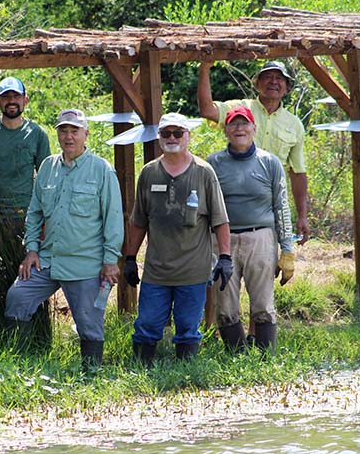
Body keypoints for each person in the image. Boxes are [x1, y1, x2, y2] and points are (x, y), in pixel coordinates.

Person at [4, 109, 124, 371]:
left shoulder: (102, 170)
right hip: (48, 260)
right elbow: (34, 212)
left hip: (85, 264)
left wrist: (110, 260)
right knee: (17, 297)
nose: (68, 136)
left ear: (86, 134)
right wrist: (31, 249)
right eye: (63, 130)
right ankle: (18, 367)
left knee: (89, 323)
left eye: (74, 131)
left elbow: (113, 219)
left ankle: (91, 375)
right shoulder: (48, 166)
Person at [123, 113, 232, 366]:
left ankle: (186, 374)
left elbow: (220, 220)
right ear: (159, 136)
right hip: (156, 272)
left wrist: (225, 258)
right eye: (166, 133)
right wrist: (130, 258)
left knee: (187, 327)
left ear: (188, 136)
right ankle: (142, 372)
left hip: (193, 271)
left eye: (177, 133)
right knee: (147, 324)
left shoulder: (204, 172)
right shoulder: (149, 173)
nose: (172, 138)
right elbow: (139, 221)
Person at [206, 106, 295, 353]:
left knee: (263, 303)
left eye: (244, 124)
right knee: (225, 306)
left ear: (254, 129)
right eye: (233, 124)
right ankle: (237, 357)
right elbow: (207, 208)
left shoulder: (270, 162)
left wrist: (287, 250)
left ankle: (266, 357)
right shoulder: (213, 163)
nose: (239, 129)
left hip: (261, 238)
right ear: (225, 130)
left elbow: (282, 206)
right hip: (223, 242)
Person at [198, 60, 309, 243]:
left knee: (267, 261)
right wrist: (204, 68)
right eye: (267, 77)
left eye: (279, 78)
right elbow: (207, 110)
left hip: (270, 203)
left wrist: (302, 216)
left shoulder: (294, 124)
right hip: (233, 198)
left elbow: (297, 172)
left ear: (287, 87)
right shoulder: (240, 109)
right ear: (257, 83)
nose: (273, 82)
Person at [0, 76, 51, 230]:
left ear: (25, 100)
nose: (11, 101)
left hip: (26, 214)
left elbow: (46, 179)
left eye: (16, 96)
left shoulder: (37, 134)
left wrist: (45, 215)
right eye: (6, 97)